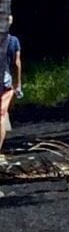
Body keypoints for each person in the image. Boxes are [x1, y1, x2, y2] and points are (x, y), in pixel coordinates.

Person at [0, 16, 22, 151]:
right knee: (1, 116)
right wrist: (18, 83)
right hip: (5, 81)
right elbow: (16, 63)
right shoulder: (13, 41)